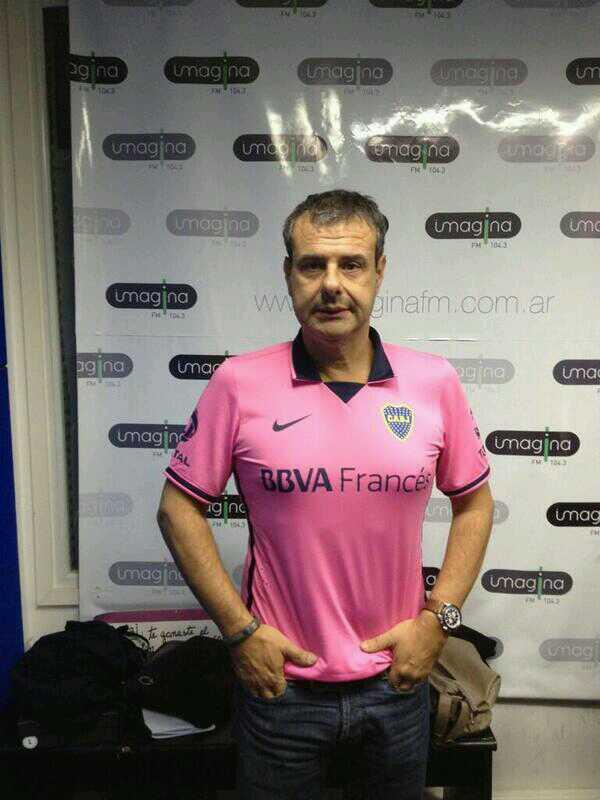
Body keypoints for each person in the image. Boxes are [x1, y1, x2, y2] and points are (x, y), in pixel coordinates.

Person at [156, 189, 494, 799]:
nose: (332, 284)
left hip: (397, 684)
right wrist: (238, 632)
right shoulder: (238, 383)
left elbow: (474, 504)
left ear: (379, 271)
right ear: (289, 274)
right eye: (313, 265)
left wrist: (438, 621)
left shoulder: (434, 382)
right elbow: (178, 508)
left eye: (351, 264)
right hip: (281, 689)